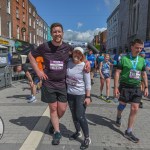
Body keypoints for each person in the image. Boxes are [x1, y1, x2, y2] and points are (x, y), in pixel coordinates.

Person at [28, 22, 90, 145]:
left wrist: (87, 62)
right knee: (53, 108)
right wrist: (38, 71)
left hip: (62, 84)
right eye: (55, 31)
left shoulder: (67, 47)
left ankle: (53, 121)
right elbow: (30, 55)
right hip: (49, 83)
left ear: (62, 33)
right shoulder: (44, 46)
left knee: (62, 109)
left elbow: (79, 55)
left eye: (59, 31)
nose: (57, 33)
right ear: (51, 34)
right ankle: (57, 132)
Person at [114, 39, 149, 143]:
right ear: (132, 47)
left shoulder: (142, 60)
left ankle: (128, 131)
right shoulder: (124, 59)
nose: (139, 50)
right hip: (125, 86)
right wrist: (115, 87)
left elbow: (143, 74)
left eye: (141, 48)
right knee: (122, 106)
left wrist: (146, 87)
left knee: (134, 109)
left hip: (136, 87)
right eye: (137, 47)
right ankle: (118, 116)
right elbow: (117, 73)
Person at [66, 47, 91, 149]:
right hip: (70, 94)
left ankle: (87, 138)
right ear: (72, 54)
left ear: (82, 56)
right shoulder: (68, 62)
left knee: (80, 116)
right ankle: (78, 132)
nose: (77, 55)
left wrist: (88, 97)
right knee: (74, 115)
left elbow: (88, 83)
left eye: (79, 54)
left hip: (80, 94)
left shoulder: (84, 66)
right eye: (75, 53)